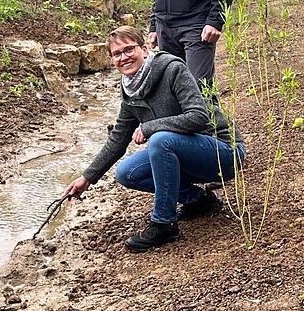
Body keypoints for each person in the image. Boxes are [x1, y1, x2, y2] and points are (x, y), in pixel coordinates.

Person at [64, 26, 244, 252]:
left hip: (223, 152)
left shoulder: (172, 69)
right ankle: (198, 200)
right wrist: (87, 178)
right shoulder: (130, 90)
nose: (124, 57)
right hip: (184, 153)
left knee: (160, 140)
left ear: (145, 48)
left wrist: (151, 127)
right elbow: (118, 140)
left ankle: (164, 224)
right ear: (111, 60)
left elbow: (199, 116)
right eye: (117, 54)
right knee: (126, 172)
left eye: (129, 49)